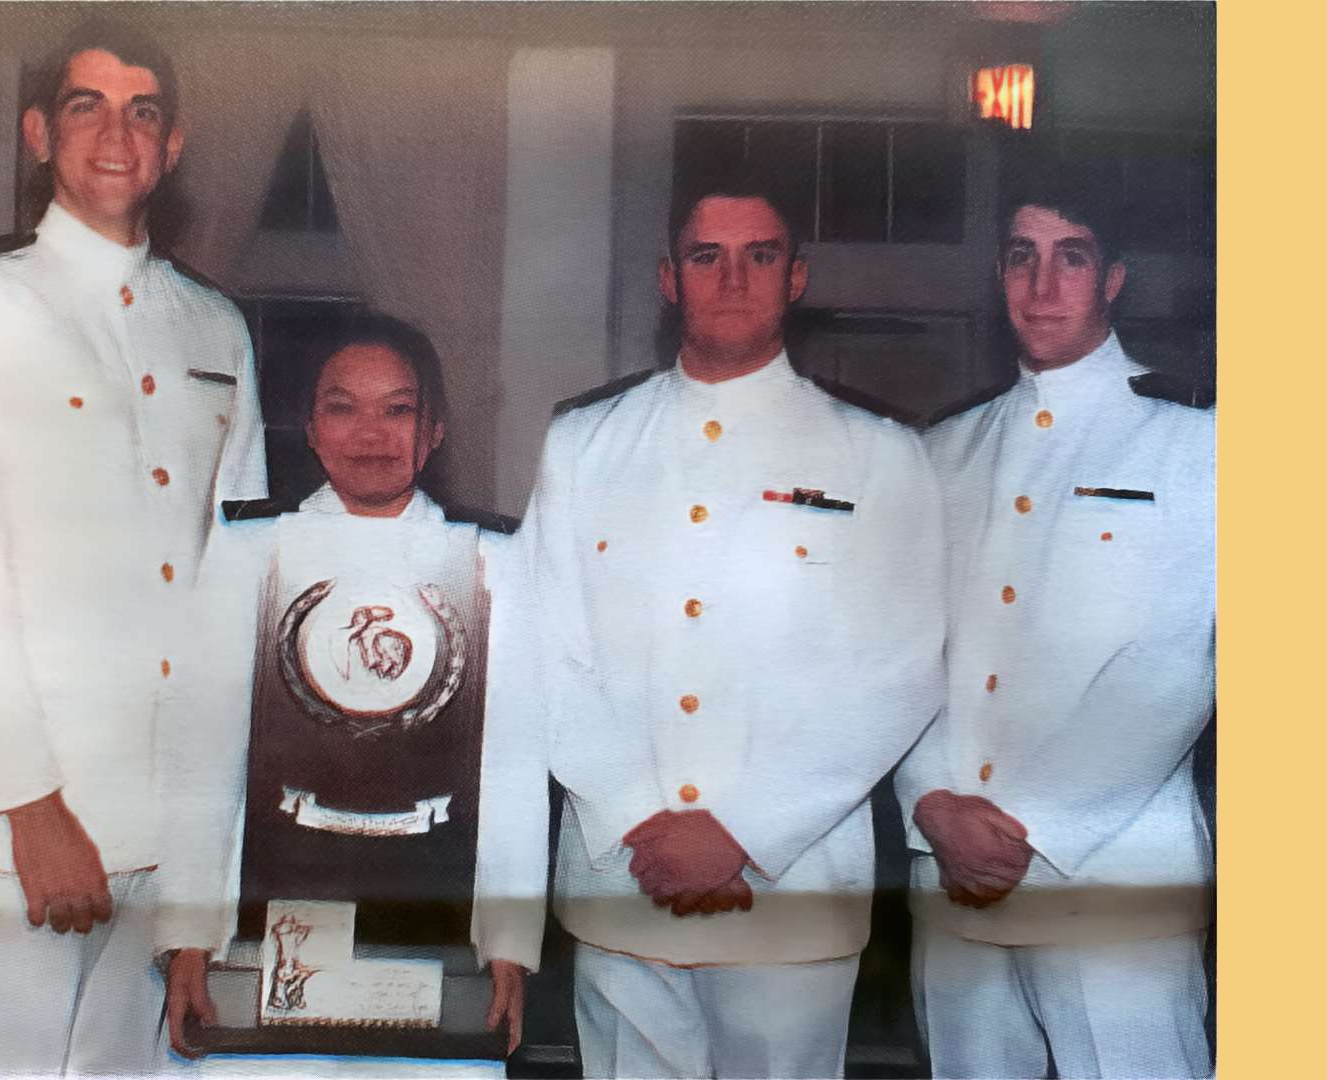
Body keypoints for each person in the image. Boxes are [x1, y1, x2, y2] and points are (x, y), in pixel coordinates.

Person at [0, 19, 267, 1076]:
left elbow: (235, 589)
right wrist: (30, 802)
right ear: (37, 133)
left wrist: (211, 845)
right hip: (35, 820)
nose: (117, 133)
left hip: (174, 820)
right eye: (87, 106)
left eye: (143, 111)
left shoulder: (213, 329)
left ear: (174, 146)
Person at [520, 186, 946, 1078]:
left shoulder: (878, 453)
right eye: (707, 255)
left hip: (790, 884)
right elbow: (542, 645)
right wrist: (642, 816)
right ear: (670, 280)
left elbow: (901, 672)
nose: (733, 276)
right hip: (622, 874)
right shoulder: (584, 442)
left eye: (760, 253)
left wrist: (738, 831)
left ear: (796, 278)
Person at [154, 316, 547, 1077]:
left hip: (438, 918)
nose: (371, 433)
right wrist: (188, 935)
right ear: (310, 426)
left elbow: (511, 764)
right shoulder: (249, 550)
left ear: (433, 430)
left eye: (397, 409)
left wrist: (509, 945)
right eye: (344, 406)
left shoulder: (491, 556)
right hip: (264, 919)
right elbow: (203, 752)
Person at [896, 167, 1215, 1079]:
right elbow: (905, 653)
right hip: (951, 863)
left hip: (1110, 868)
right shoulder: (944, 449)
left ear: (1113, 278)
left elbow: (1176, 663)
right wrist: (931, 803)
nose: (1042, 287)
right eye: (1021, 258)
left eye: (1070, 259)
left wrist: (1031, 827)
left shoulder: (1197, 442)